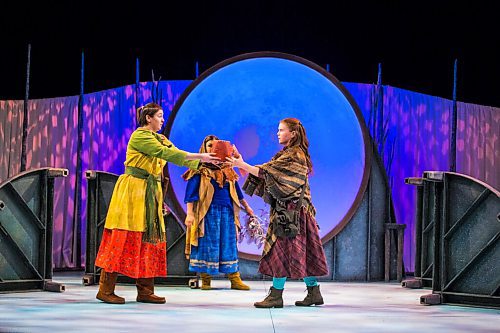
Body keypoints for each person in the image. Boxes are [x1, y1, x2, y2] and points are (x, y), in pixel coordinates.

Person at [95, 102, 220, 304]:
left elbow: (178, 154)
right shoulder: (140, 136)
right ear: (148, 118)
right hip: (134, 191)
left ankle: (145, 290)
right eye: (160, 116)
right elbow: (167, 154)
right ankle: (105, 289)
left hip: (150, 193)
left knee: (149, 239)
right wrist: (201, 156)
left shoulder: (160, 138)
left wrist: (206, 161)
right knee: (124, 237)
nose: (163, 119)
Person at [228, 117, 328, 308]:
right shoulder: (287, 154)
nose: (278, 133)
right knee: (301, 252)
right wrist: (241, 163)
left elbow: (267, 173)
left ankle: (275, 296)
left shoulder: (295, 156)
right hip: (293, 213)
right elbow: (268, 171)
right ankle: (314, 293)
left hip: (292, 214)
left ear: (293, 133)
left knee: (279, 251)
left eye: (281, 130)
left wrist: (240, 164)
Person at [183, 135, 253, 291]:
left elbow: (237, 191)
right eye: (209, 146)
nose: (212, 148)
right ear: (204, 148)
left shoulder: (227, 170)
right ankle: (206, 279)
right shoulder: (199, 170)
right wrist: (190, 214)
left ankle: (234, 279)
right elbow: (191, 194)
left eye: (215, 145)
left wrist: (247, 207)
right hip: (207, 213)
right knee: (207, 245)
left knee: (229, 245)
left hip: (227, 213)